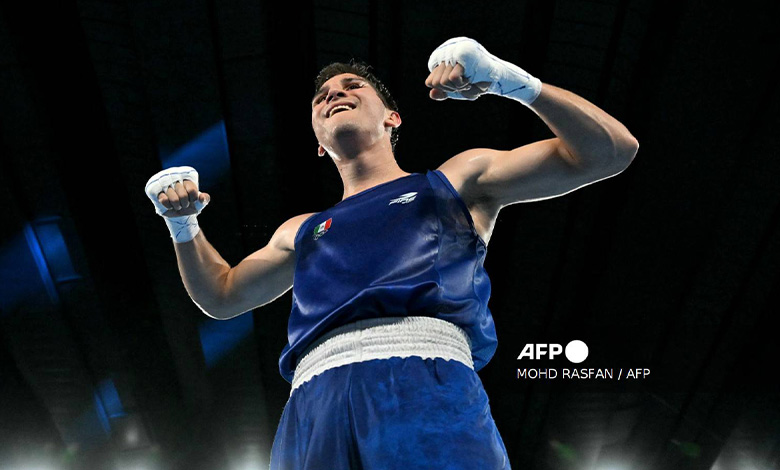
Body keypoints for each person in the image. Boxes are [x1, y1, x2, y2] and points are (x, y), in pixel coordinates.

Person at [144, 37, 638, 469]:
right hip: (312, 405)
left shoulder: (456, 180)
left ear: (392, 117)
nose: (334, 95)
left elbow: (611, 151)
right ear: (318, 143)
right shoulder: (300, 230)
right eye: (322, 97)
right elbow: (222, 297)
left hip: (424, 380)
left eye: (352, 88)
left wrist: (512, 82)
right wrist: (182, 225)